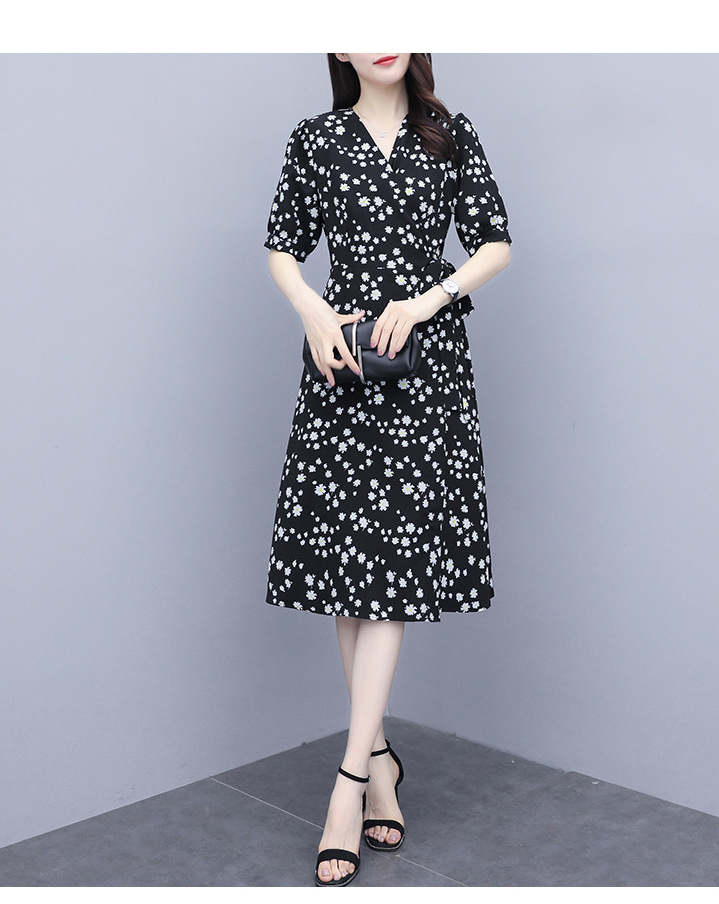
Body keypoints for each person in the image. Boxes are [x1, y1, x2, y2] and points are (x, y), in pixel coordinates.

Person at [262, 52, 512, 886]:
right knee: (351, 574)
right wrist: (311, 309)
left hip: (424, 370)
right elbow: (283, 249)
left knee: (389, 575)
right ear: (335, 46)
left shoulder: (449, 132)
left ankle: (349, 783)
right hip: (342, 362)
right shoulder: (315, 139)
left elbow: (494, 243)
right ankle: (380, 765)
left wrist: (427, 300)